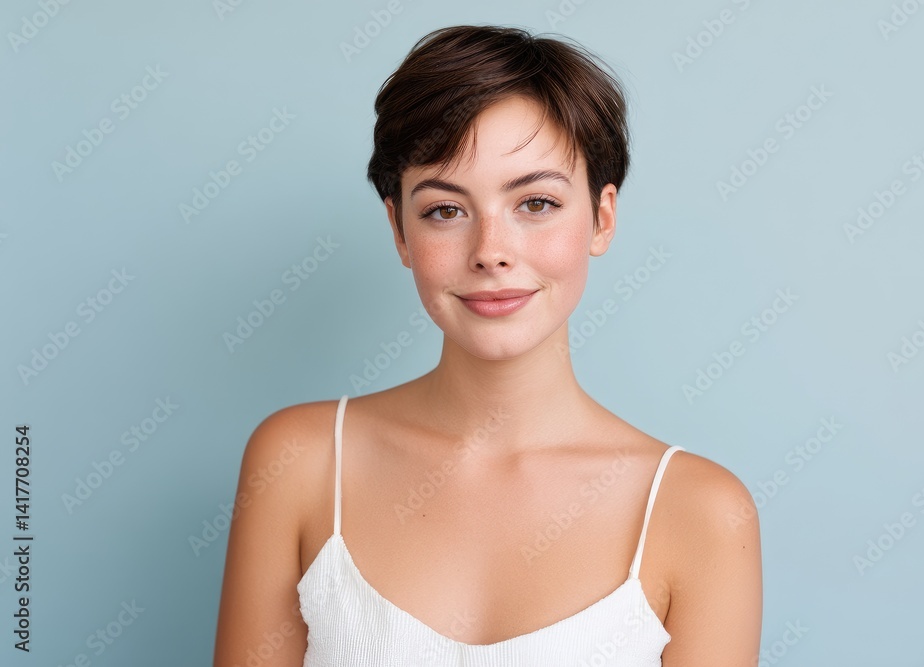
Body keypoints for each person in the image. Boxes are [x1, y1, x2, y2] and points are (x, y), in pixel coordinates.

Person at [213, 24, 762, 666]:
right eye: (446, 210)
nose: (490, 252)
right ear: (398, 230)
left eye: (536, 203)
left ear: (602, 217)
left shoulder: (699, 512)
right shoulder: (300, 462)